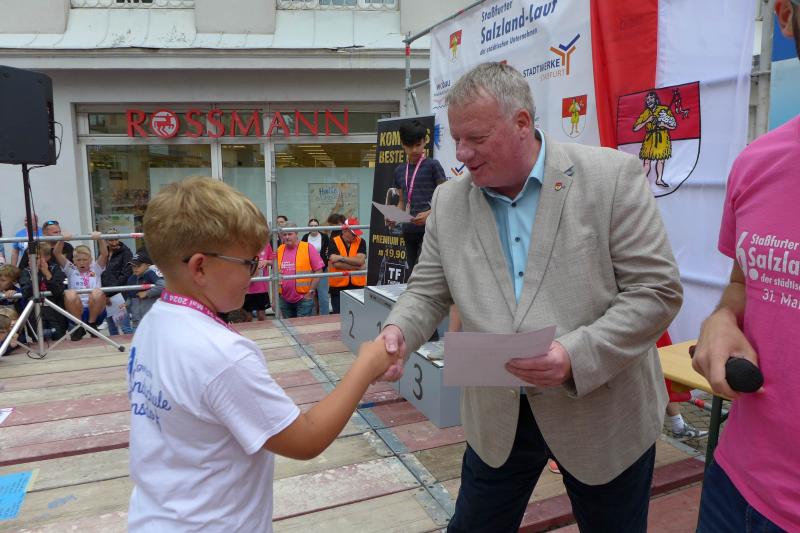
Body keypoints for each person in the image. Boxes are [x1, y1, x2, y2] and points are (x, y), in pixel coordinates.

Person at [378, 62, 682, 533]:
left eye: (476, 138)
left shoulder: (610, 178)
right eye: (456, 138)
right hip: (497, 418)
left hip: (601, 414)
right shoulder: (449, 201)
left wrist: (574, 355)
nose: (462, 153)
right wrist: (399, 329)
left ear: (522, 123)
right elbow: (427, 290)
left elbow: (656, 292)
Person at [127, 176, 393, 532]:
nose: (254, 273)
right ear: (200, 267)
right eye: (248, 262)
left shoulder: (154, 322)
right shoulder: (220, 354)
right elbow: (307, 439)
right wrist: (366, 365)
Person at [691, 3, 799, 531]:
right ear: (786, 15)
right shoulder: (757, 161)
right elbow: (742, 283)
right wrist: (721, 319)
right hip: (735, 486)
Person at [391, 119, 446, 275]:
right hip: (409, 230)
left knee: (423, 271)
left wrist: (429, 214)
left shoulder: (433, 166)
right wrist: (394, 216)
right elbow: (402, 202)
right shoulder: (399, 170)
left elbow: (445, 198)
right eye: (410, 146)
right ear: (402, 144)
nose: (415, 150)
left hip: (430, 229)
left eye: (418, 144)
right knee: (412, 272)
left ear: (424, 141)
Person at [54, 234, 109, 341]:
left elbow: (104, 254)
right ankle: (79, 326)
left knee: (97, 292)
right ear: (74, 260)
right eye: (78, 260)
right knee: (69, 293)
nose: (82, 262)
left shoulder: (96, 268)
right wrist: (61, 239)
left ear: (91, 259)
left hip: (95, 308)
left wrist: (100, 238)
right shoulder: (71, 269)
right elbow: (57, 253)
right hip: (77, 309)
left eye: (85, 259)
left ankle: (91, 324)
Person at [19, 242, 68, 341]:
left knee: (59, 339)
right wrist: (35, 274)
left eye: (36, 258)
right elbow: (26, 293)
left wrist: (47, 273)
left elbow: (58, 291)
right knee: (38, 340)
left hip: (54, 311)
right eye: (30, 258)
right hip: (35, 312)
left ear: (47, 257)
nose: (32, 261)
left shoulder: (55, 269)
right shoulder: (26, 272)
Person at [276, 222, 324, 318]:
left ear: (296, 233)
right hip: (284, 299)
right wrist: (275, 299)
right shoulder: (280, 249)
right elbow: (275, 275)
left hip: (304, 299)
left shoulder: (308, 247)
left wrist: (310, 292)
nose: (287, 237)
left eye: (290, 234)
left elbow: (319, 271)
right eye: (284, 234)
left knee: (301, 327)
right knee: (288, 326)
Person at [632, 91, 677, 188]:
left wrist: (663, 124)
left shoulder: (664, 110)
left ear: (656, 99)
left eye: (651, 98)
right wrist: (647, 120)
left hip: (662, 137)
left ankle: (659, 179)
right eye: (647, 99)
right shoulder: (645, 113)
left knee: (661, 160)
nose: (649, 101)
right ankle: (643, 180)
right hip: (649, 138)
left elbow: (673, 125)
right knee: (646, 161)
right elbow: (635, 128)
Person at [327, 218, 367, 315]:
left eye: (356, 233)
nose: (355, 236)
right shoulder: (333, 241)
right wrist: (357, 268)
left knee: (358, 316)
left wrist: (341, 258)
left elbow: (360, 261)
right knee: (339, 317)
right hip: (337, 288)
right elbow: (336, 264)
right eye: (353, 233)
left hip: (357, 287)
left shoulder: (361, 241)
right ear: (344, 230)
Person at [101, 230, 134, 335]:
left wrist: (111, 291)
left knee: (125, 327)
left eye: (116, 239)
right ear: (106, 241)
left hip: (120, 293)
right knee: (112, 328)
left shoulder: (126, 252)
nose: (114, 242)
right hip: (107, 292)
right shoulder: (104, 251)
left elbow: (126, 273)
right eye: (111, 240)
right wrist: (105, 293)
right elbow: (101, 271)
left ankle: (130, 344)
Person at [124, 248, 165, 330]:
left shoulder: (150, 274)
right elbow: (131, 296)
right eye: (132, 266)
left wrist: (147, 293)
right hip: (136, 320)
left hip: (151, 319)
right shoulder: (131, 279)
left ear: (148, 265)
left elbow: (163, 285)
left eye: (138, 265)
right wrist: (126, 304)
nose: (135, 268)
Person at [302, 218, 331, 315]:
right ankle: (312, 316)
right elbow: (303, 252)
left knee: (323, 295)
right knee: (310, 293)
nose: (313, 227)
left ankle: (324, 316)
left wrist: (323, 266)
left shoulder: (324, 237)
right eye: (311, 226)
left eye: (315, 225)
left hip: (322, 269)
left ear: (318, 227)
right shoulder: (305, 237)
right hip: (309, 270)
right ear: (308, 227)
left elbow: (327, 252)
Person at [244, 242, 274, 322]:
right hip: (246, 288)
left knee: (261, 317)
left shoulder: (266, 244)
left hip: (262, 288)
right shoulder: (243, 242)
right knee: (248, 318)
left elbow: (273, 261)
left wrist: (266, 262)